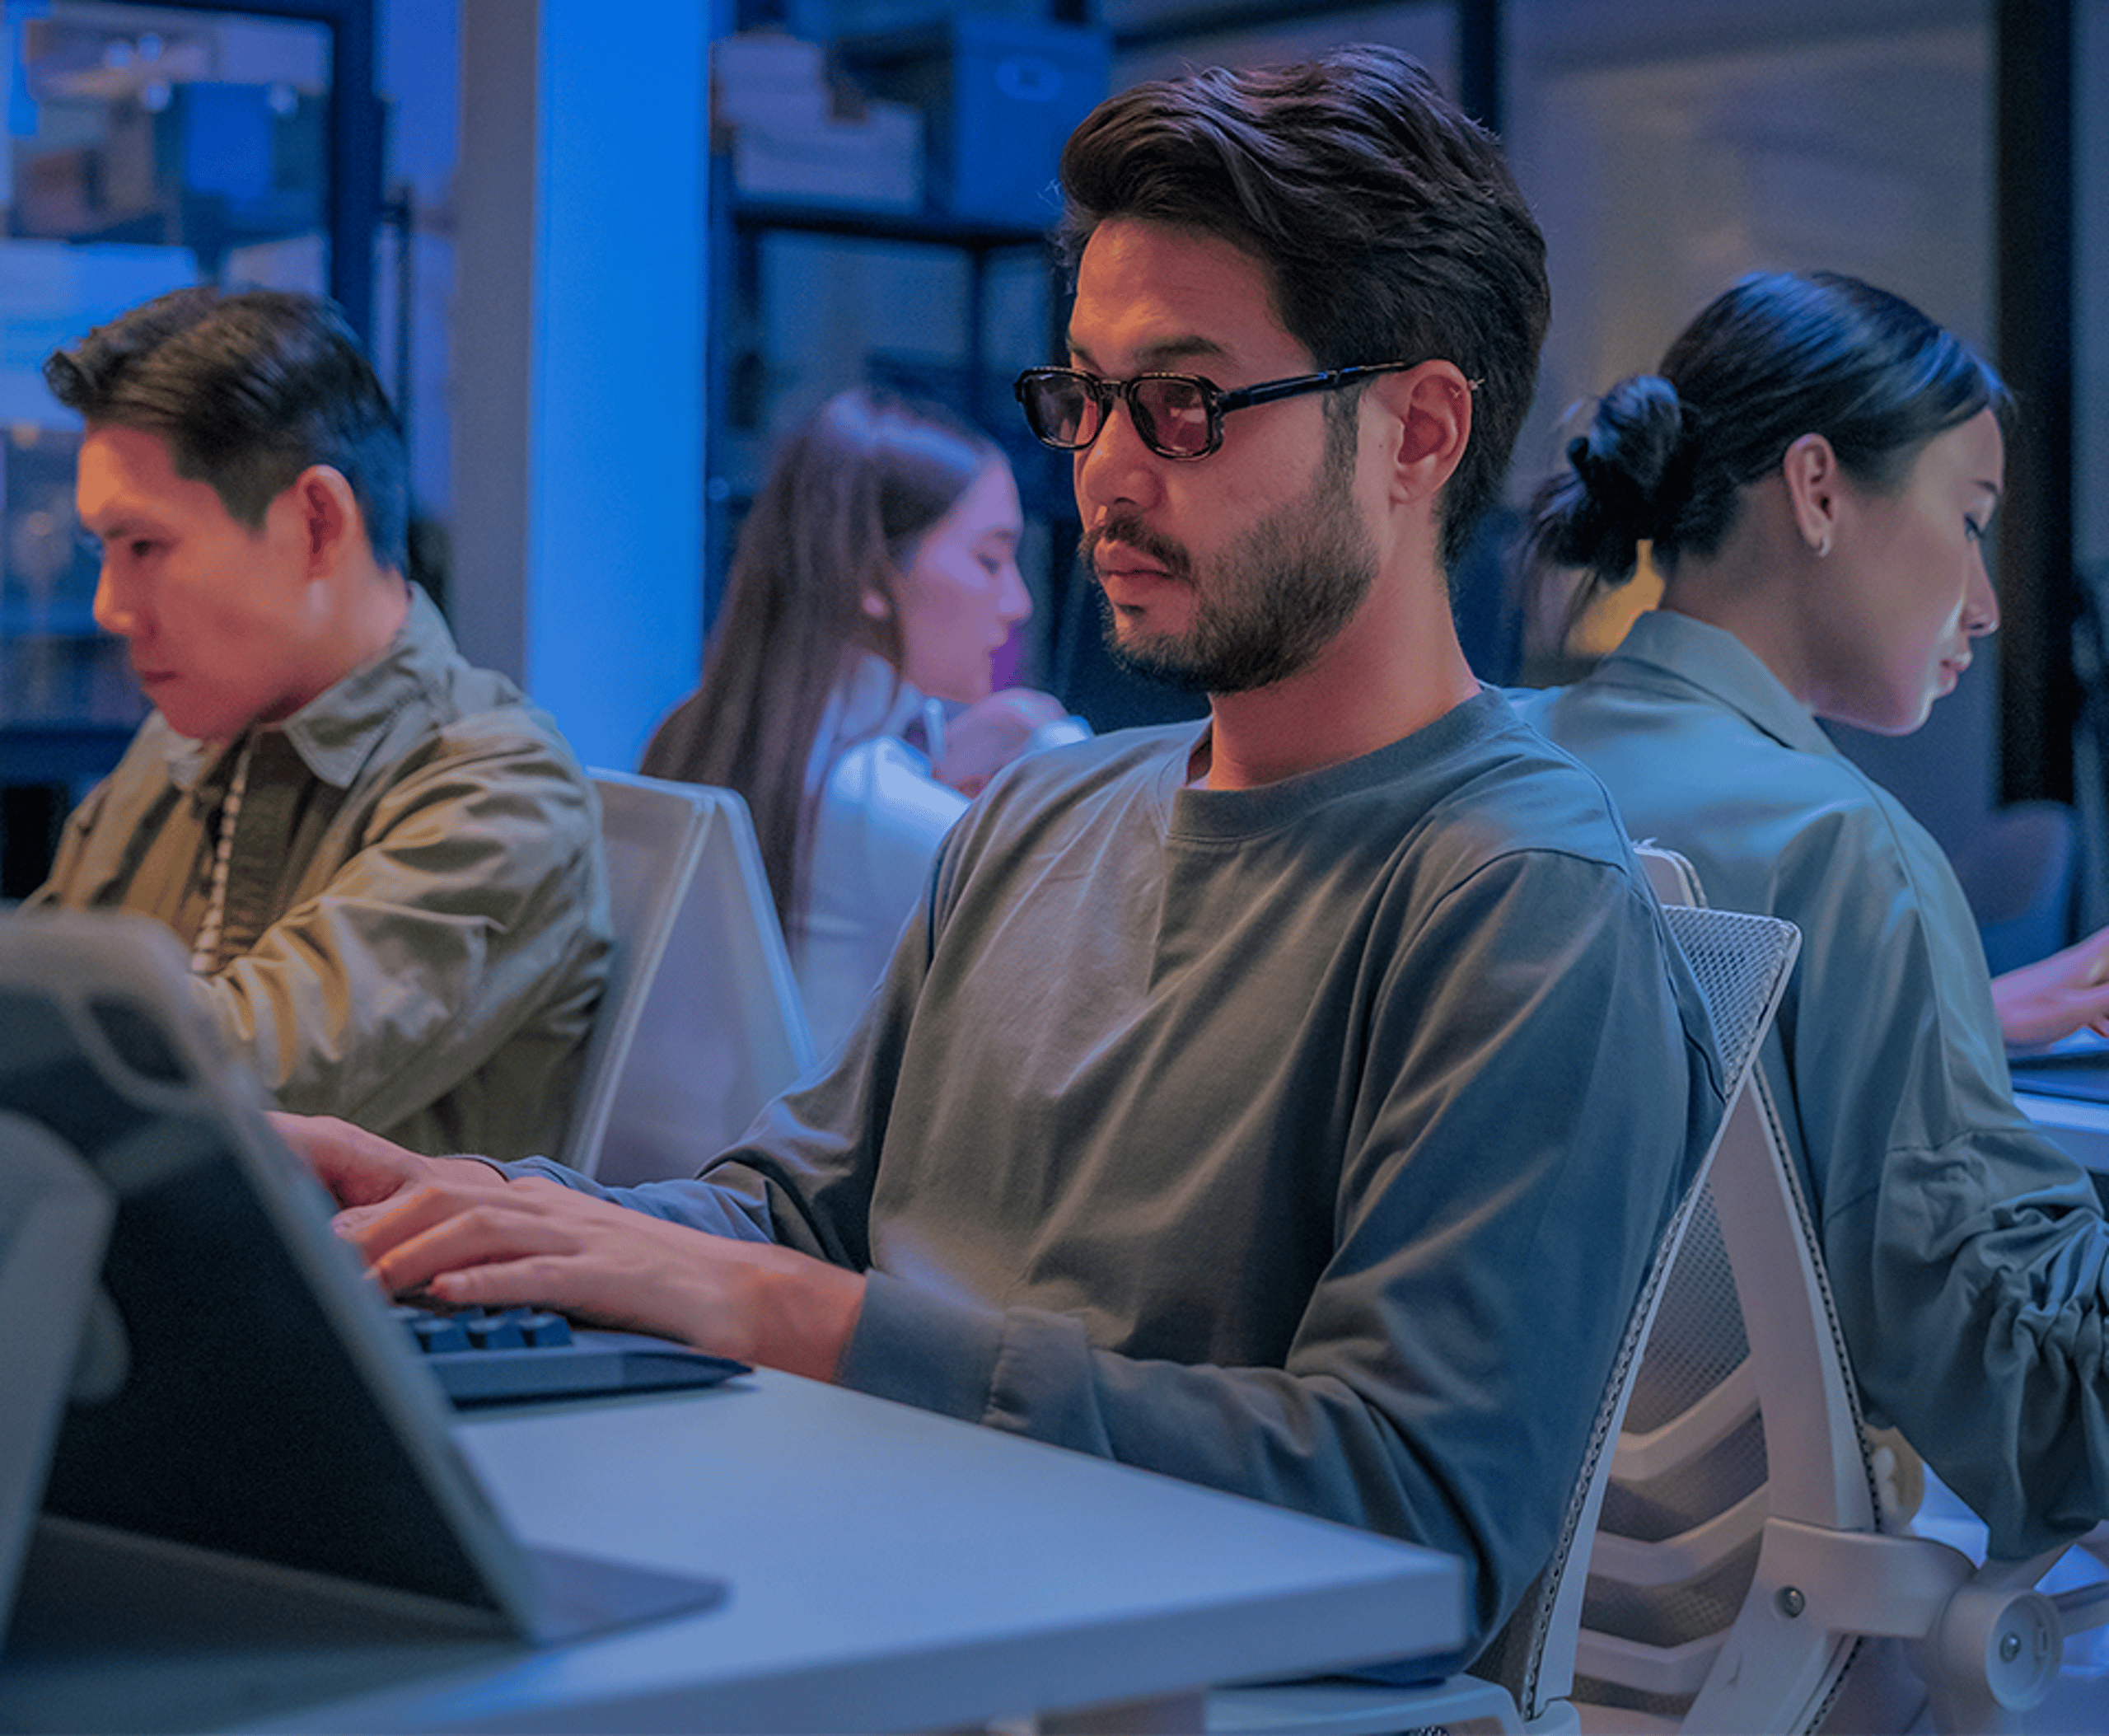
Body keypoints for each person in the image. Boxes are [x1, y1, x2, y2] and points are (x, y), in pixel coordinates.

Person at [286, 46, 1721, 1659]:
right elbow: (797, 1215)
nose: (1102, 470)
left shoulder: (1514, 898)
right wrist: (496, 1213)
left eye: (1183, 404)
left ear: (1417, 432)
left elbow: (1414, 1521)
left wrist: (801, 1320)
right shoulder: (1044, 813)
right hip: (865, 1593)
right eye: (1085, 398)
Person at [1515, 269, 2109, 1563]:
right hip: (1774, 1610)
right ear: (1820, 489)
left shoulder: (1501, 768)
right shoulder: (1850, 850)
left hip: (1535, 1582)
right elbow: (2038, 1414)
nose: (1988, 600)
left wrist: (1960, 1013)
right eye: (1971, 517)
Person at [30, 285, 610, 1163]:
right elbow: (37, 1003)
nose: (110, 606)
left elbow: (220, 1086)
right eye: (101, 550)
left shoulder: (500, 788)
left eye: (144, 545)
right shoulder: (182, 741)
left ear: (316, 524)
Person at [638, 388, 1085, 1054]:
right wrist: (1052, 745)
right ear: (870, 576)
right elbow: (1107, 931)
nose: (1017, 602)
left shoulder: (694, 731)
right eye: (990, 560)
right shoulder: (871, 799)